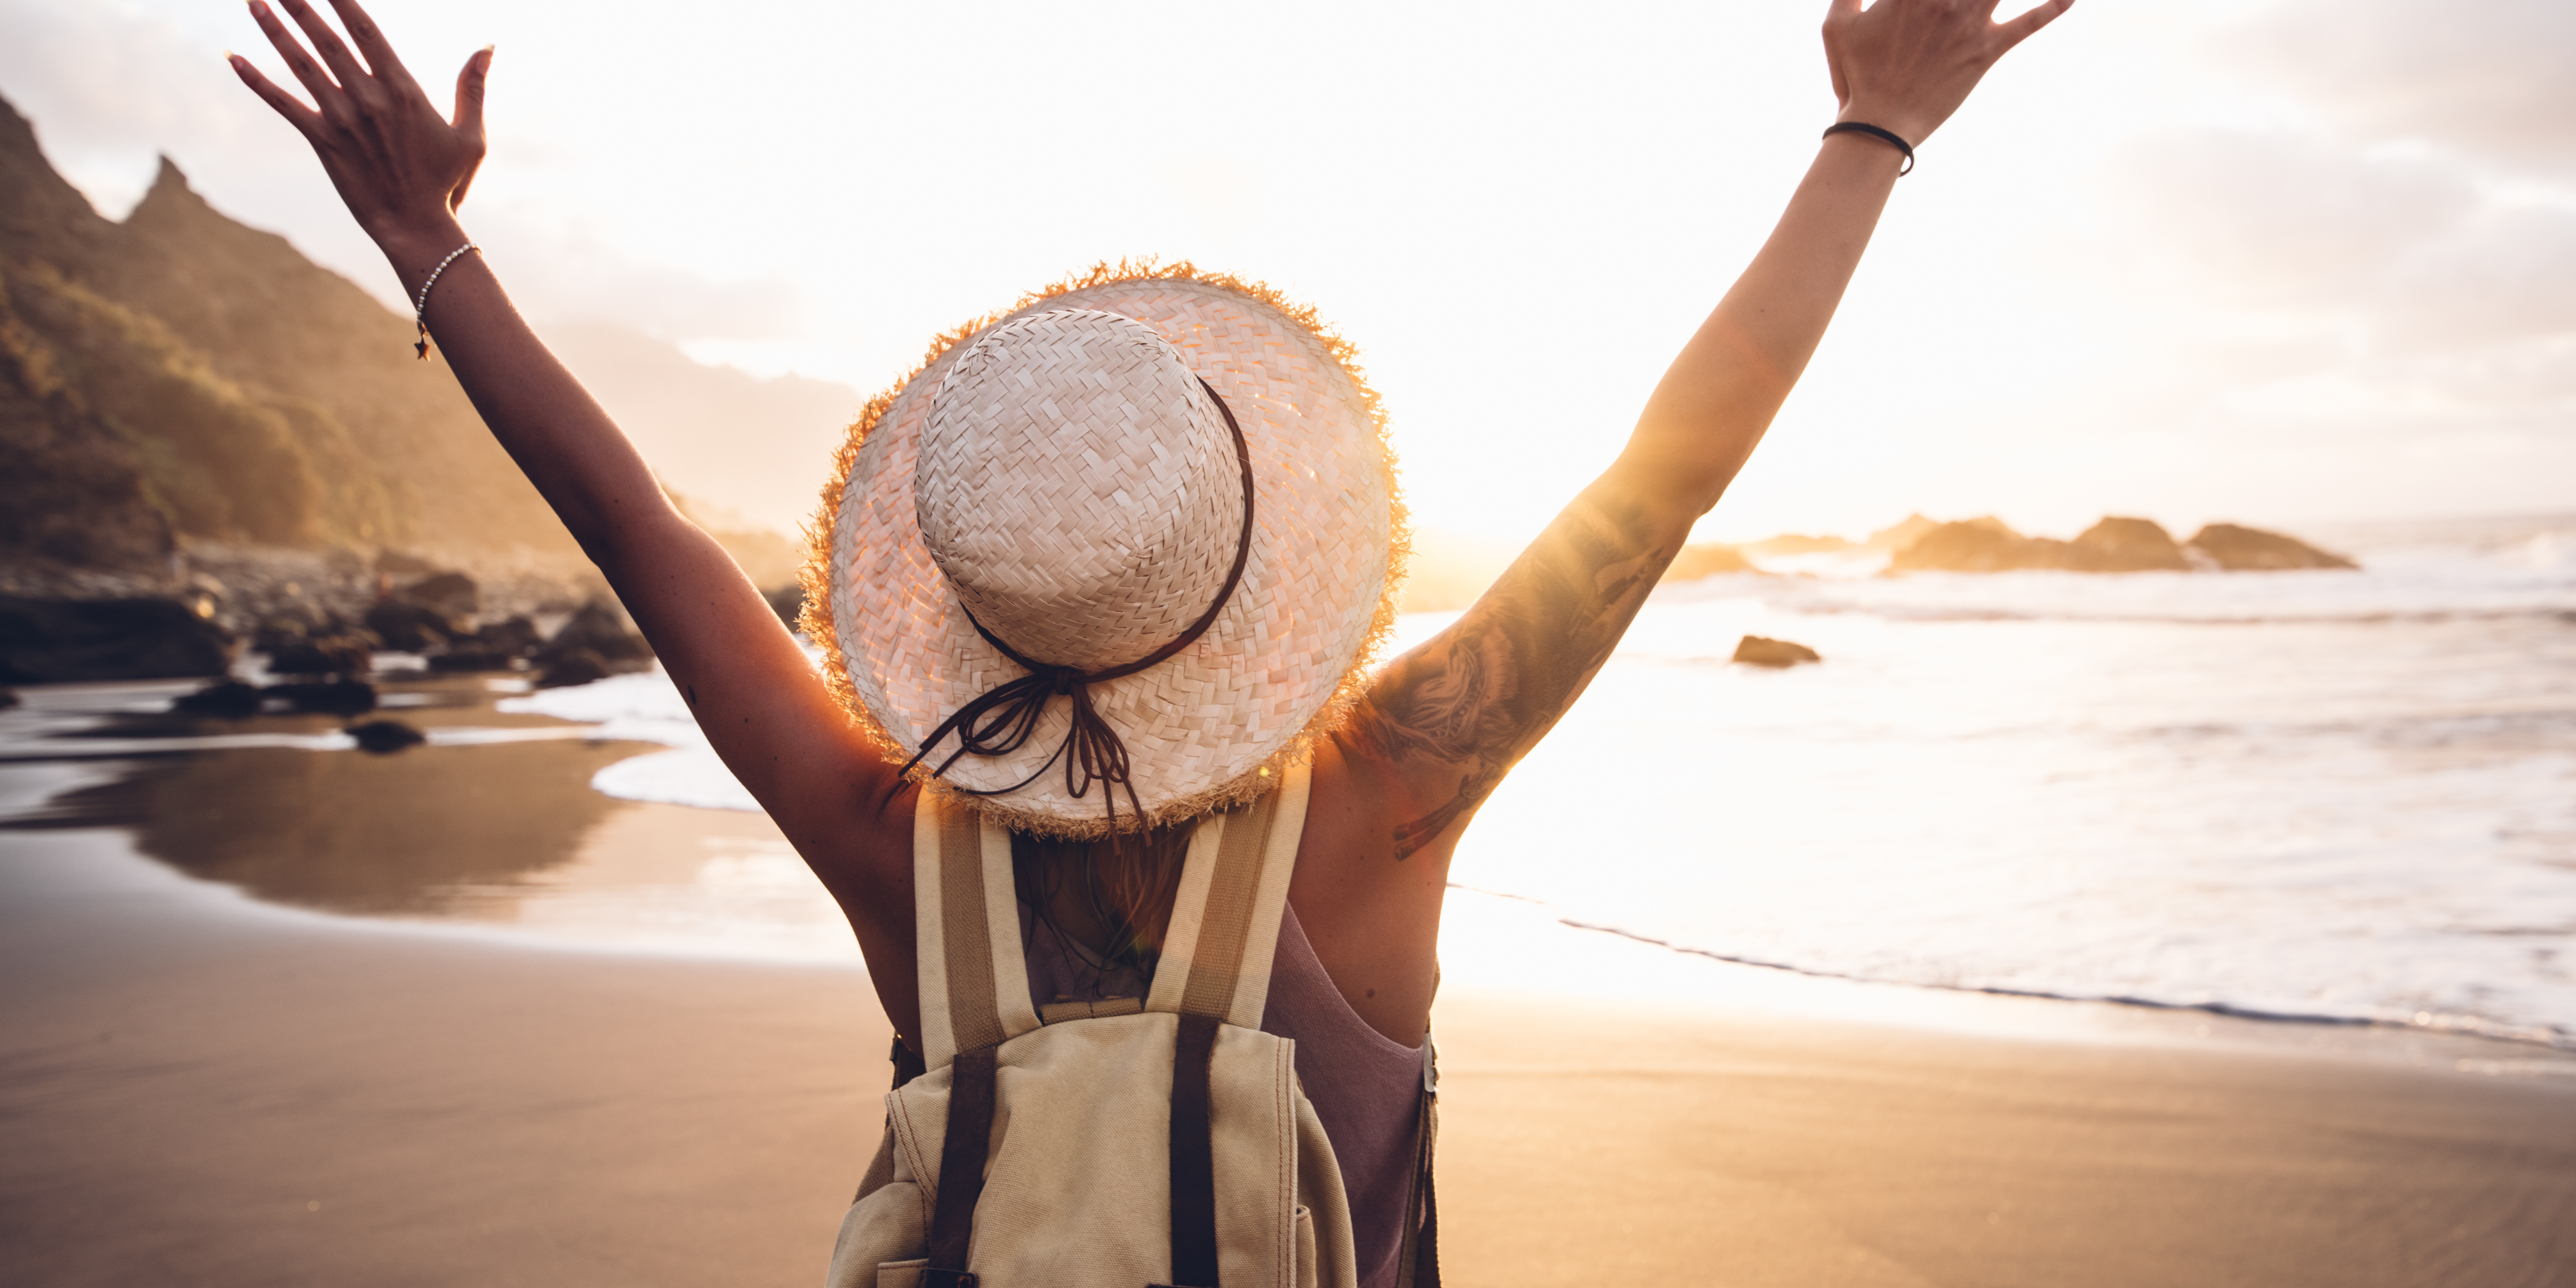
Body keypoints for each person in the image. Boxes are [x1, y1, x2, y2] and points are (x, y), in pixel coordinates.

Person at [233, 0, 2070, 1282]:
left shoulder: (894, 843)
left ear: (961, 605)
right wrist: (1871, 131)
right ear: (1264, 548)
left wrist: (427, 243)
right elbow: (1662, 480)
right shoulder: (1381, 797)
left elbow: (635, 530)